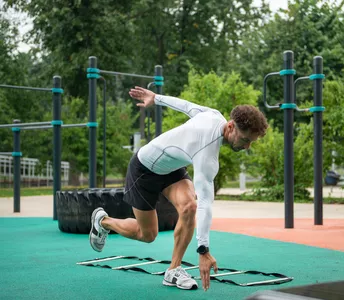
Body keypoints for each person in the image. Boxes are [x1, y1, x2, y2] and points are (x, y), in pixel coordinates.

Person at [89, 86, 268, 291]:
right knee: (147, 234)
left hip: (171, 168)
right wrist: (203, 251)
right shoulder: (207, 152)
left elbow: (186, 106)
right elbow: (206, 204)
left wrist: (156, 98)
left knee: (189, 206)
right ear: (230, 127)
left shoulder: (213, 115)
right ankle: (104, 222)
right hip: (144, 170)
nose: (247, 147)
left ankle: (173, 270)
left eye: (250, 142)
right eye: (245, 140)